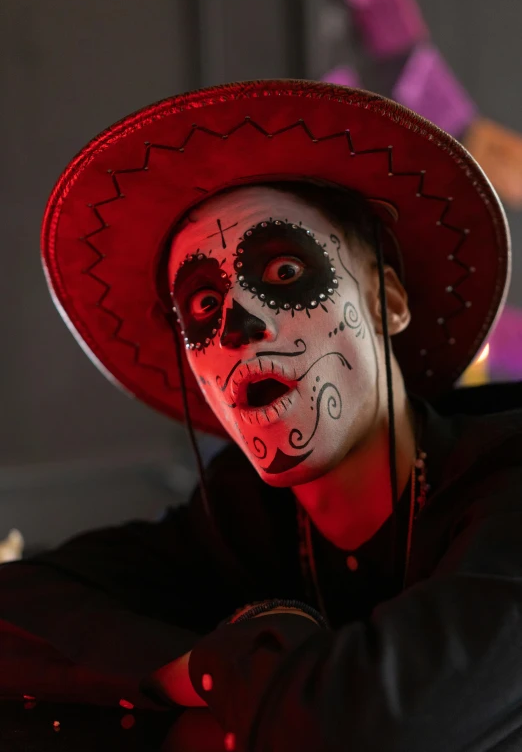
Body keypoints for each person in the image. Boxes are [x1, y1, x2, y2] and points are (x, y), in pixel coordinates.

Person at [1, 79, 521, 751]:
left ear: (388, 301)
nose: (237, 327)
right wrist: (207, 670)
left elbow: (382, 722)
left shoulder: (506, 482)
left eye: (282, 272)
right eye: (199, 308)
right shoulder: (236, 521)